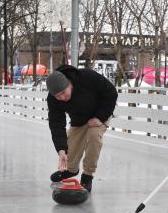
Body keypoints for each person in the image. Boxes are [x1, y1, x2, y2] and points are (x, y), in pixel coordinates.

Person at [46, 64, 118, 192]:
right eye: (58, 96)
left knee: (93, 136)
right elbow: (56, 124)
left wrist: (100, 117)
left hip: (100, 113)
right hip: (79, 119)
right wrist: (61, 150)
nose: (62, 98)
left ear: (69, 84)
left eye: (63, 93)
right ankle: (71, 170)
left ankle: (87, 176)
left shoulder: (87, 77)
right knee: (71, 147)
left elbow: (111, 93)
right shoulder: (53, 100)